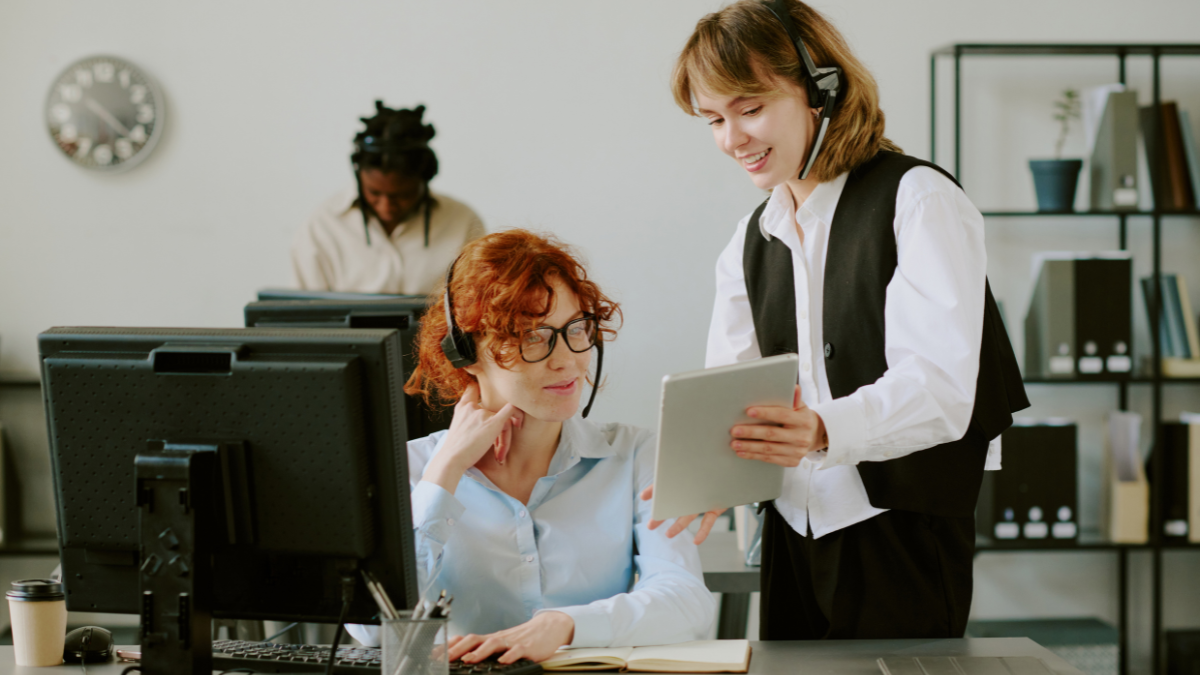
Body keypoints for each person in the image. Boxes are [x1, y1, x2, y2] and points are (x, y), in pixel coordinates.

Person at [664, 0, 1028, 641]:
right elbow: (731, 387)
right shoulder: (751, 237)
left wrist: (822, 428)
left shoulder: (917, 199)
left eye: (749, 109)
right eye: (714, 119)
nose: (731, 138)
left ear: (821, 88)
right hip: (789, 527)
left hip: (899, 526)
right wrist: (713, 473)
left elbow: (941, 390)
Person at [346, 230, 715, 662]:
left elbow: (687, 601)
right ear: (466, 352)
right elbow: (369, 629)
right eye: (533, 337)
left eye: (576, 328)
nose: (568, 360)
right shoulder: (412, 469)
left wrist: (566, 625)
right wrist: (444, 475)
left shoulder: (634, 455)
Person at [292, 101, 485, 295]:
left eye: (403, 195)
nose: (386, 207)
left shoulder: (463, 222)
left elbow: (477, 306)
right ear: (359, 177)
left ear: (424, 180)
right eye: (374, 193)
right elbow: (304, 314)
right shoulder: (322, 226)